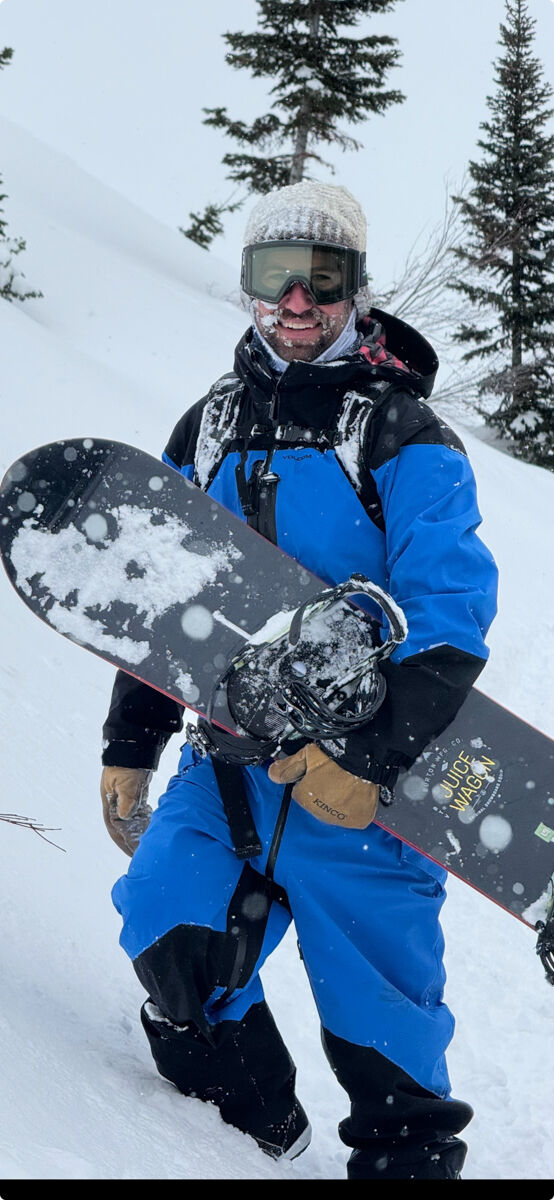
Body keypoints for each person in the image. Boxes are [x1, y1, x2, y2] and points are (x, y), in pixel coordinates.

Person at [100, 181, 498, 1180]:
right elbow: (164, 597)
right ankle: (237, 1139)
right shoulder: (209, 424)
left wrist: (368, 759)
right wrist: (127, 744)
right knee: (165, 932)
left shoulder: (402, 435)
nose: (294, 302)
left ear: (355, 291)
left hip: (362, 795)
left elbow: (449, 614)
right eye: (272, 276)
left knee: (384, 1038)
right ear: (247, 285)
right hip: (225, 765)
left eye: (321, 280)